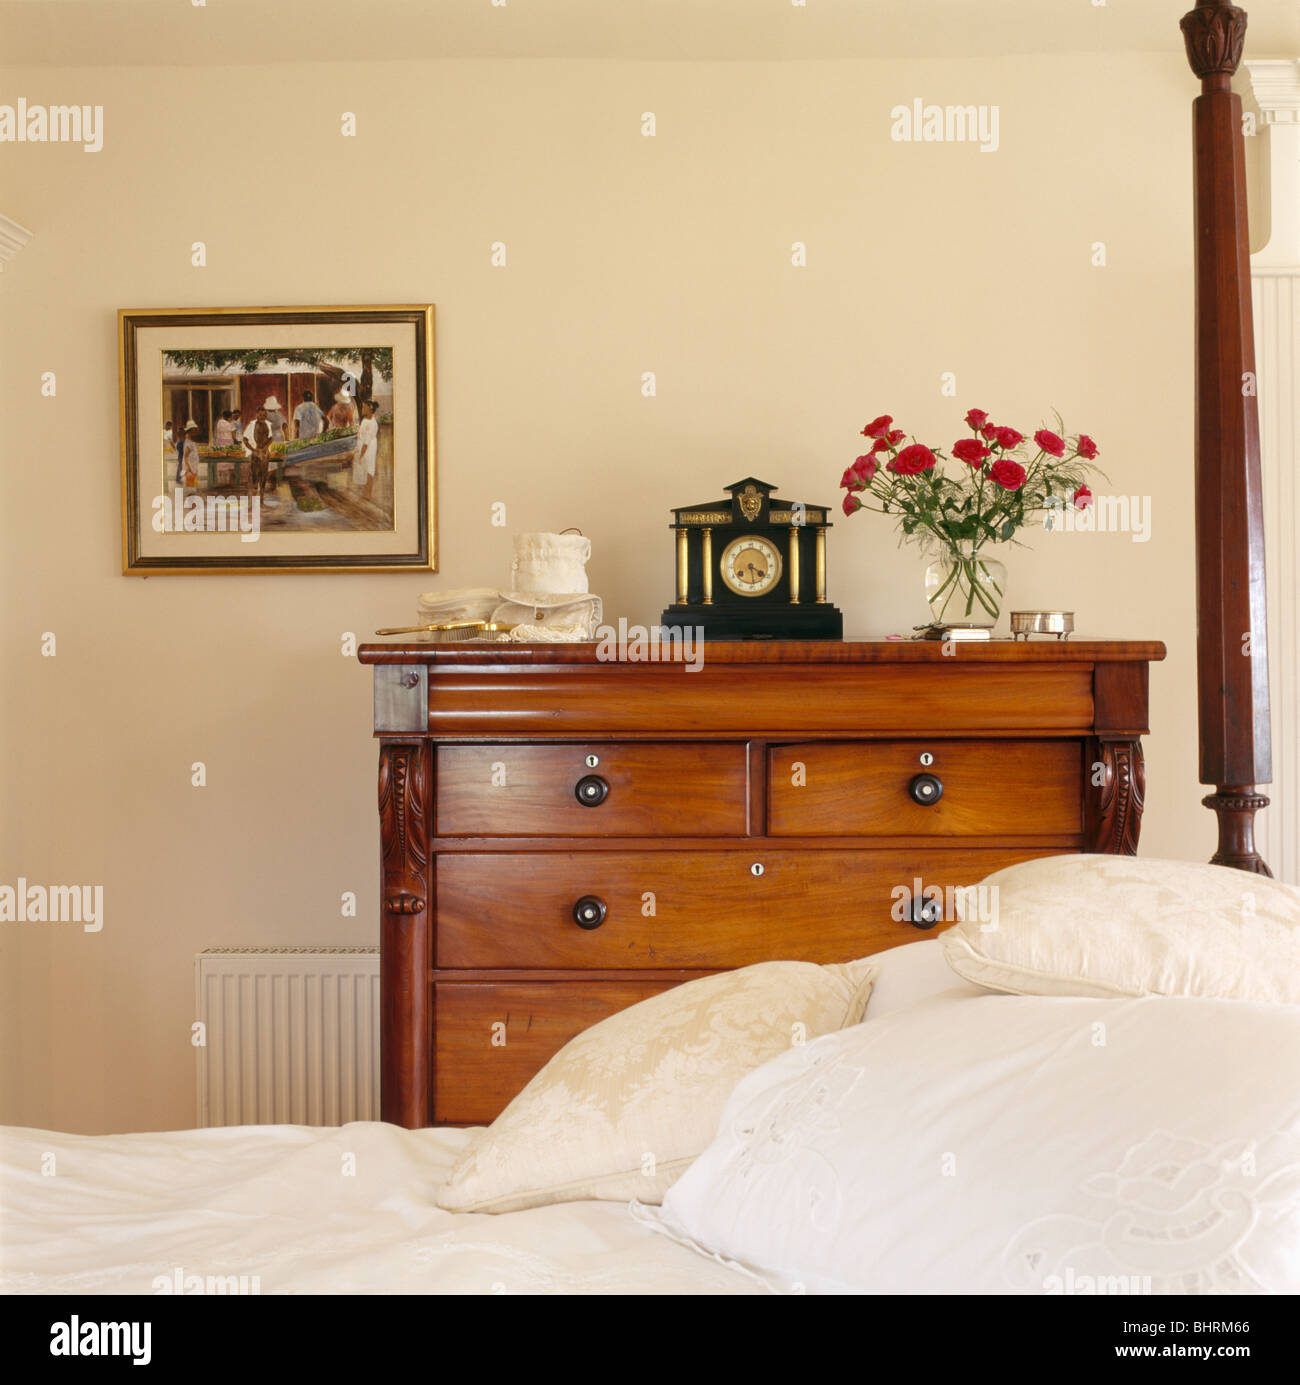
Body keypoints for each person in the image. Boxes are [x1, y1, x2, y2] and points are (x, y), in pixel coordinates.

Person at [242, 405, 273, 502]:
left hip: (264, 453)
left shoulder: (268, 424)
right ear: (256, 415)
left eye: (265, 415)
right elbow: (245, 439)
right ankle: (254, 500)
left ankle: (262, 500)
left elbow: (271, 438)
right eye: (261, 415)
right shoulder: (251, 425)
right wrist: (253, 450)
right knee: (255, 476)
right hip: (255, 453)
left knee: (264, 476)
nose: (263, 417)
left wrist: (265, 447)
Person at [352, 399, 379, 500]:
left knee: (369, 469)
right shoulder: (364, 420)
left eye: (364, 407)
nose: (362, 409)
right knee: (363, 468)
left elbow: (366, 442)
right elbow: (361, 435)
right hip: (362, 445)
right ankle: (364, 493)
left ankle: (368, 494)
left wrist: (361, 454)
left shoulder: (372, 424)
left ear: (370, 408)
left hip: (369, 448)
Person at [181, 421, 201, 489]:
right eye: (193, 430)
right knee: (190, 485)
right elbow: (185, 457)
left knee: (193, 482)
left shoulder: (191, 442)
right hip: (190, 466)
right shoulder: (188, 443)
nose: (195, 432)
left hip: (193, 465)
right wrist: (189, 468)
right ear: (189, 432)